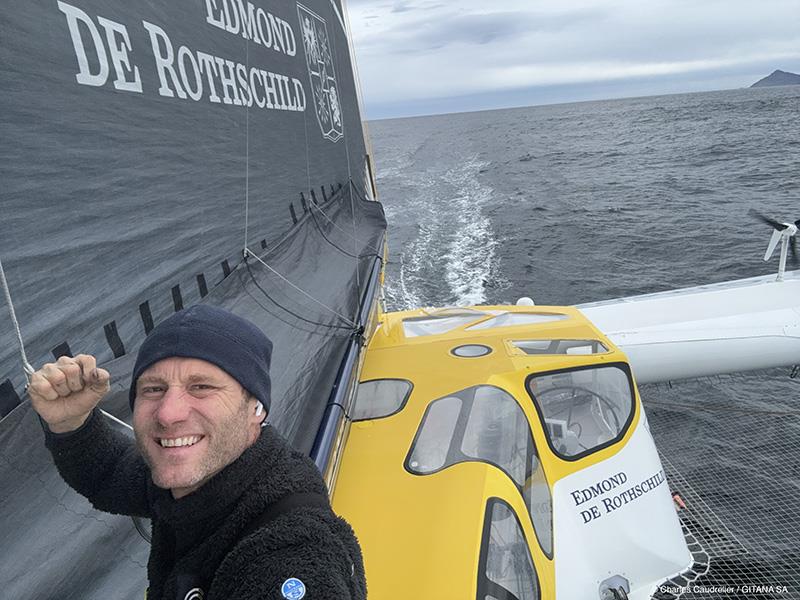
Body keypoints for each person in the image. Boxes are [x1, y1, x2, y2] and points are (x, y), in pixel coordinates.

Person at [28, 304, 366, 600]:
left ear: (256, 408)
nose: (167, 413)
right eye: (154, 389)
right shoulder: (199, 480)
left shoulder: (290, 557)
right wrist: (71, 422)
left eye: (201, 387)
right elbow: (110, 472)